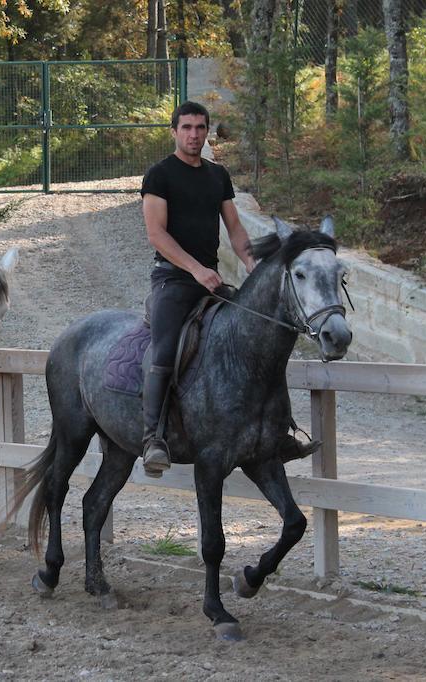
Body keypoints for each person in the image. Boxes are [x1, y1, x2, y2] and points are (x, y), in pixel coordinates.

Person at [139, 101, 256, 477]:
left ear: (207, 132)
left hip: (211, 281)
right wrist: (195, 268)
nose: (193, 134)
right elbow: (156, 234)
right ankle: (152, 438)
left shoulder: (218, 175)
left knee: (255, 335)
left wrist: (253, 265)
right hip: (172, 280)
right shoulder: (159, 176)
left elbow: (235, 229)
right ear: (173, 131)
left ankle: (270, 428)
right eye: (186, 127)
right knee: (165, 349)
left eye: (200, 128)